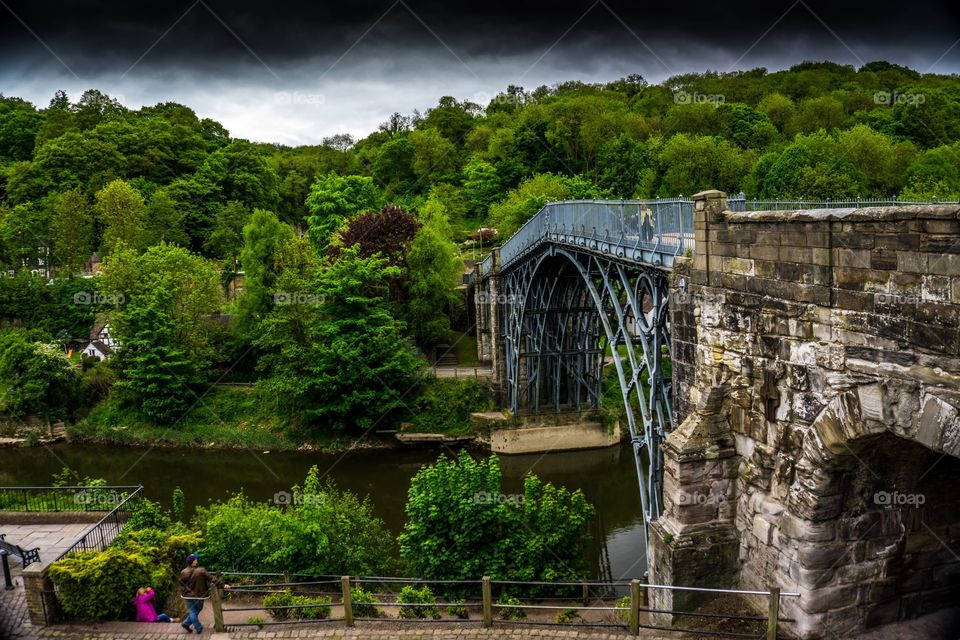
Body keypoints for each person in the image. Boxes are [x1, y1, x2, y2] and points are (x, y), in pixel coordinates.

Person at [179, 553, 229, 634]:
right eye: (195, 559)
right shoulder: (201, 570)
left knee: (192, 611)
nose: (197, 560)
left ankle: (186, 623)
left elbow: (181, 583)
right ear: (193, 562)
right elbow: (212, 578)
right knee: (195, 611)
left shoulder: (183, 572)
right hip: (198, 595)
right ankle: (198, 627)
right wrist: (222, 585)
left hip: (187, 595)